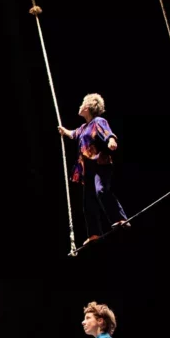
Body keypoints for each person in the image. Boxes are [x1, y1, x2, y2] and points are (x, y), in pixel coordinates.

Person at [58, 93, 129, 244]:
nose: (79, 106)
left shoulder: (98, 121)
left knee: (101, 190)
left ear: (89, 106)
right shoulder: (83, 128)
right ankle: (94, 233)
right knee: (88, 202)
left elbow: (107, 132)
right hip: (87, 169)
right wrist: (64, 131)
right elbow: (74, 134)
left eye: (82, 103)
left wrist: (111, 140)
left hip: (100, 165)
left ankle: (120, 218)